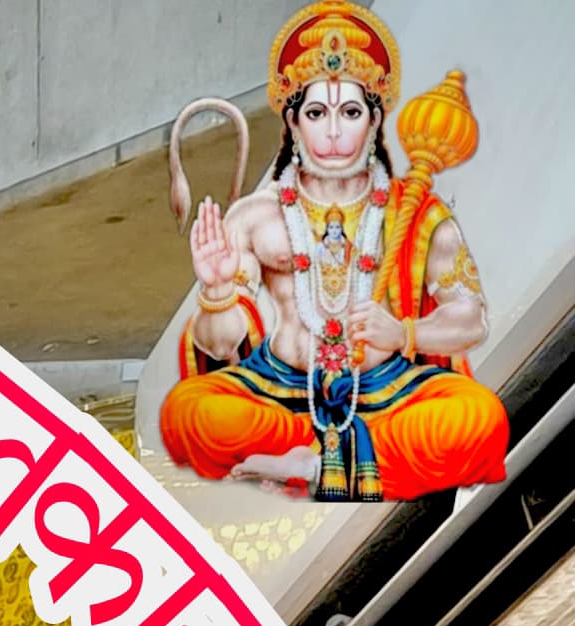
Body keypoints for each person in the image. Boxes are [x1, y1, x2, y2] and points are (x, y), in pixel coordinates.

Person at [159, 9, 506, 502]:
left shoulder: (420, 215)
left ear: (375, 119)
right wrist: (216, 292)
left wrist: (405, 332)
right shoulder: (256, 216)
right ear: (294, 123)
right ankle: (322, 458)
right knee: (189, 413)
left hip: (387, 393)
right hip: (280, 388)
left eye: (351, 113)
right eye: (318, 113)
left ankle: (315, 462)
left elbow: (470, 320)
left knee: (479, 419)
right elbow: (219, 347)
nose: (335, 133)